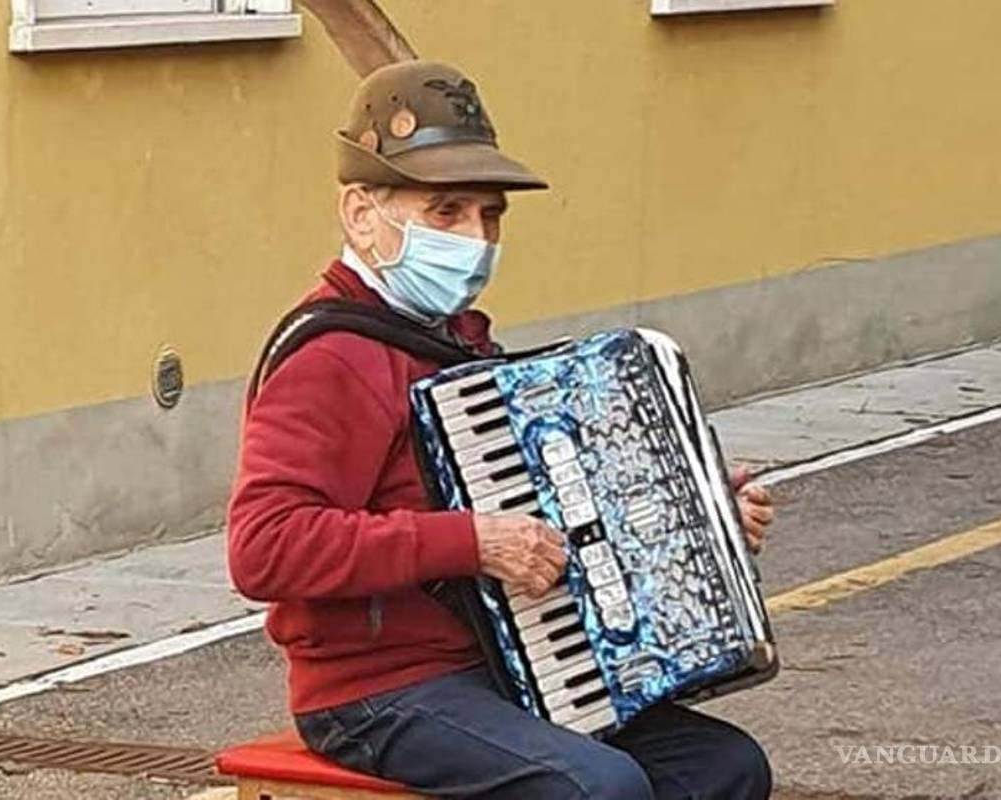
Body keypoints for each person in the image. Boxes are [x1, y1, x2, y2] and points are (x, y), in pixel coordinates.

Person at [227, 60, 776, 800]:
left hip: (500, 660)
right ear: (361, 213)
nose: (476, 239)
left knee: (723, 766)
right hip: (376, 690)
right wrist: (470, 541)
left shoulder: (451, 340)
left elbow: (554, 508)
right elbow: (265, 547)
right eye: (446, 211)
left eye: (489, 216)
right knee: (596, 789)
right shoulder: (332, 356)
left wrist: (700, 519)